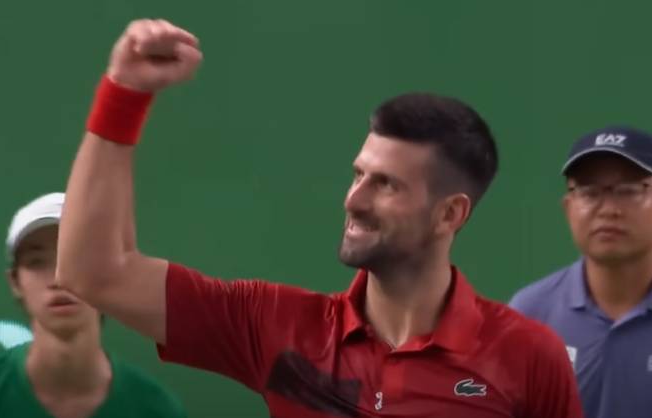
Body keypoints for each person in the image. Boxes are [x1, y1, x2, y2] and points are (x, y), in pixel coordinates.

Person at [56, 18, 583, 418]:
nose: (354, 200)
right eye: (358, 174)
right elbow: (94, 272)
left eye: (386, 184)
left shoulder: (527, 356)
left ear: (449, 214)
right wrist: (124, 95)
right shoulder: (275, 326)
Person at [0, 192, 186, 418]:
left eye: (78, 259)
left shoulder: (157, 409)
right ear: (15, 282)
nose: (59, 279)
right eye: (37, 262)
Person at [509, 126, 652, 418]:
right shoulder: (530, 316)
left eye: (629, 191)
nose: (609, 209)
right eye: (590, 192)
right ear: (568, 209)